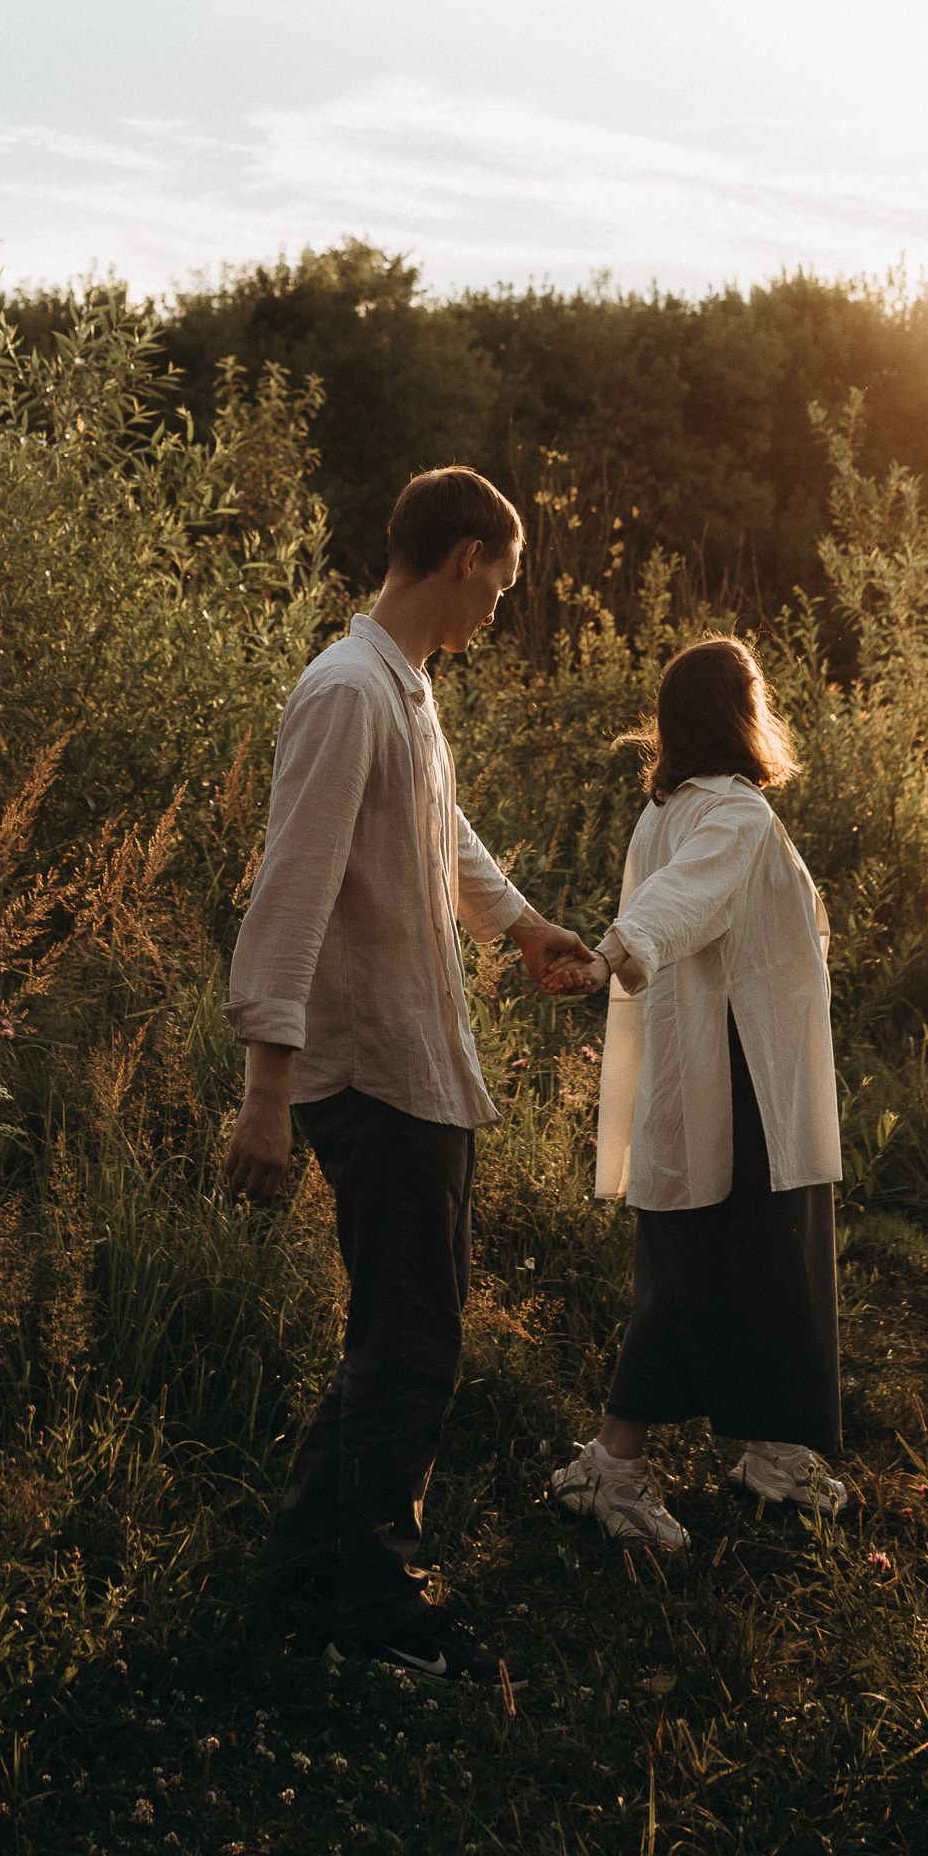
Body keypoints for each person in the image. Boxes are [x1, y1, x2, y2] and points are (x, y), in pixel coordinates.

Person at [222, 465, 589, 1682]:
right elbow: (292, 888)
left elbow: (440, 832)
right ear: (466, 557)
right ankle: (365, 1613)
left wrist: (521, 923)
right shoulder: (343, 693)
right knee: (411, 1345)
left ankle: (302, 1583)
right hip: (368, 1069)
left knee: (398, 1338)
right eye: (504, 581)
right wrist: (264, 1092)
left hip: (416, 1063)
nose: (502, 608)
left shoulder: (404, 690)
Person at [539, 635, 846, 1550]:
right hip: (744, 1084)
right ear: (740, 713)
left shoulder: (669, 810)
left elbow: (690, 899)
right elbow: (685, 899)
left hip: (719, 1073)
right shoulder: (736, 815)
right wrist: (612, 954)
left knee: (738, 1264)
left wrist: (617, 952)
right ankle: (612, 1466)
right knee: (710, 1271)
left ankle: (772, 1450)